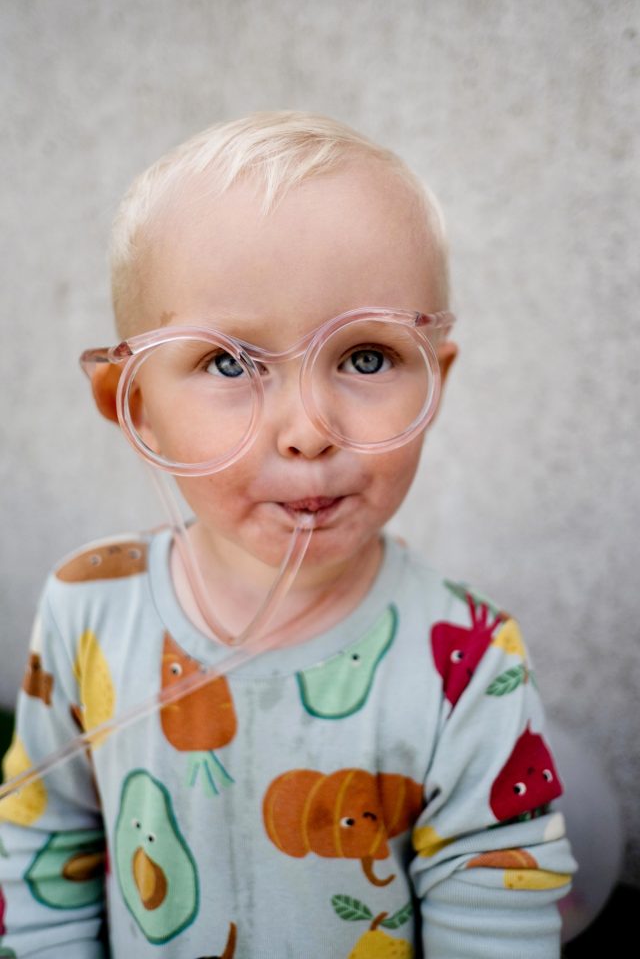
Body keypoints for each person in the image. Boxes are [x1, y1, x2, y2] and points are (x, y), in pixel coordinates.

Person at [0, 111, 575, 958]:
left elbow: (498, 918)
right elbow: (44, 860)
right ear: (136, 406)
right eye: (230, 363)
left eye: (366, 357)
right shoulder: (89, 608)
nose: (308, 430)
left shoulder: (469, 662)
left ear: (434, 383)